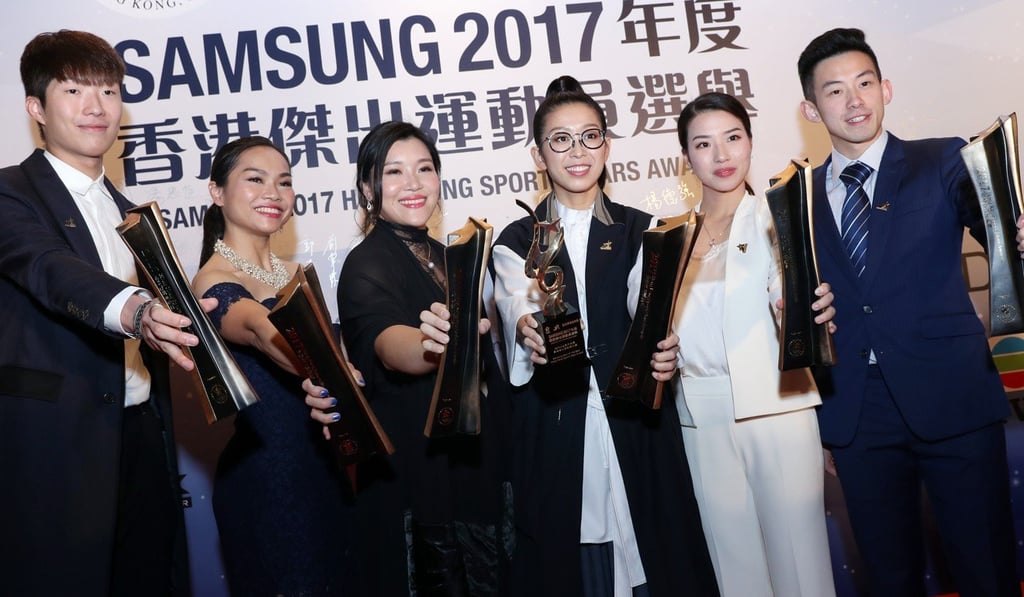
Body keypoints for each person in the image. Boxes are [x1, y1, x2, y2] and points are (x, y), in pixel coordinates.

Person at [797, 27, 1018, 595]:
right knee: (888, 576)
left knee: (985, 566)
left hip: (953, 396)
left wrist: (1015, 236)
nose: (855, 101)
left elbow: (997, 236)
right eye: (835, 91)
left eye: (865, 83)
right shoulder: (795, 198)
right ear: (811, 108)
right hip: (858, 413)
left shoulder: (942, 159)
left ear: (886, 88)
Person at [0, 29, 214, 596]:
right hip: (58, 444)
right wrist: (137, 311)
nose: (96, 107)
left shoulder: (133, 213)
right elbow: (49, 268)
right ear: (36, 108)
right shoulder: (9, 194)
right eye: (74, 90)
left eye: (109, 91)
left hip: (142, 434)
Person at [490, 75, 719, 596]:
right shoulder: (517, 239)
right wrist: (528, 329)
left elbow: (648, 304)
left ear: (607, 146)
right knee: (575, 555)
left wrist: (661, 344)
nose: (578, 151)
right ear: (538, 155)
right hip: (558, 422)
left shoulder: (644, 228)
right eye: (560, 140)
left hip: (633, 419)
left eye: (590, 136)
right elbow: (516, 303)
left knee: (656, 546)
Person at [308, 120, 511, 596]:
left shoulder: (447, 255)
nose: (413, 183)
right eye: (394, 171)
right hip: (420, 478)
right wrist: (431, 344)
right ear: (368, 188)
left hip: (472, 462)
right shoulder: (366, 264)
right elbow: (389, 345)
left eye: (424, 168)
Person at [671, 91, 837, 596]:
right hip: (700, 419)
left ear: (750, 142)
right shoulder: (667, 239)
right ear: (686, 157)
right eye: (704, 144)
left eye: (733, 138)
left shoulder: (777, 216)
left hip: (777, 406)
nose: (721, 155)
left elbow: (787, 289)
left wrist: (802, 312)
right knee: (733, 572)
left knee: (800, 567)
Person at [191, 136, 357, 596]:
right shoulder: (212, 280)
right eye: (255, 179)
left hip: (326, 470)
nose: (274, 193)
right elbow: (264, 332)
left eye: (284, 182)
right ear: (217, 192)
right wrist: (331, 368)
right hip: (269, 482)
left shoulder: (296, 274)